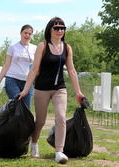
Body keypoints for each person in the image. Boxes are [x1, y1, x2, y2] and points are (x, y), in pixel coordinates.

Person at [19, 17, 84, 164]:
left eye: (62, 28)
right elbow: (34, 69)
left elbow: (72, 71)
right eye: (56, 28)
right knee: (40, 121)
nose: (60, 30)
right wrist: (25, 90)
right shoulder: (42, 46)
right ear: (50, 30)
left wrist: (78, 92)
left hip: (60, 88)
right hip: (41, 88)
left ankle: (59, 152)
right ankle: (34, 143)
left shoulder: (67, 48)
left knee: (61, 117)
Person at [0, 24, 37, 110]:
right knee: (16, 106)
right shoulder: (13, 47)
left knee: (26, 108)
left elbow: (35, 67)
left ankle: (23, 124)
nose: (27, 35)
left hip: (27, 81)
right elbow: (7, 65)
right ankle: (12, 123)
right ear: (20, 33)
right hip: (12, 79)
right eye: (25, 33)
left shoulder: (34, 48)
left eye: (29, 34)